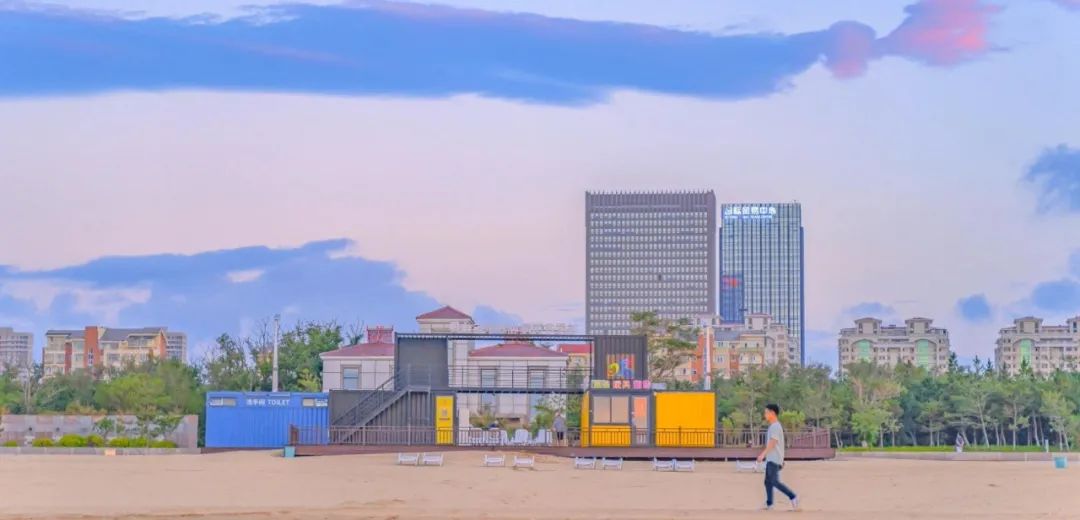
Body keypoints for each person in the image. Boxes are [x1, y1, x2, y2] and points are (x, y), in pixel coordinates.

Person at [757, 404, 799, 511]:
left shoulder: (775, 426)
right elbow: (779, 445)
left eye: (766, 412)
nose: (765, 415)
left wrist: (763, 454)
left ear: (772, 413)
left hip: (774, 459)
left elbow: (773, 442)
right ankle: (769, 504)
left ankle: (793, 497)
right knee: (768, 481)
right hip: (773, 458)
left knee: (774, 481)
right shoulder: (774, 426)